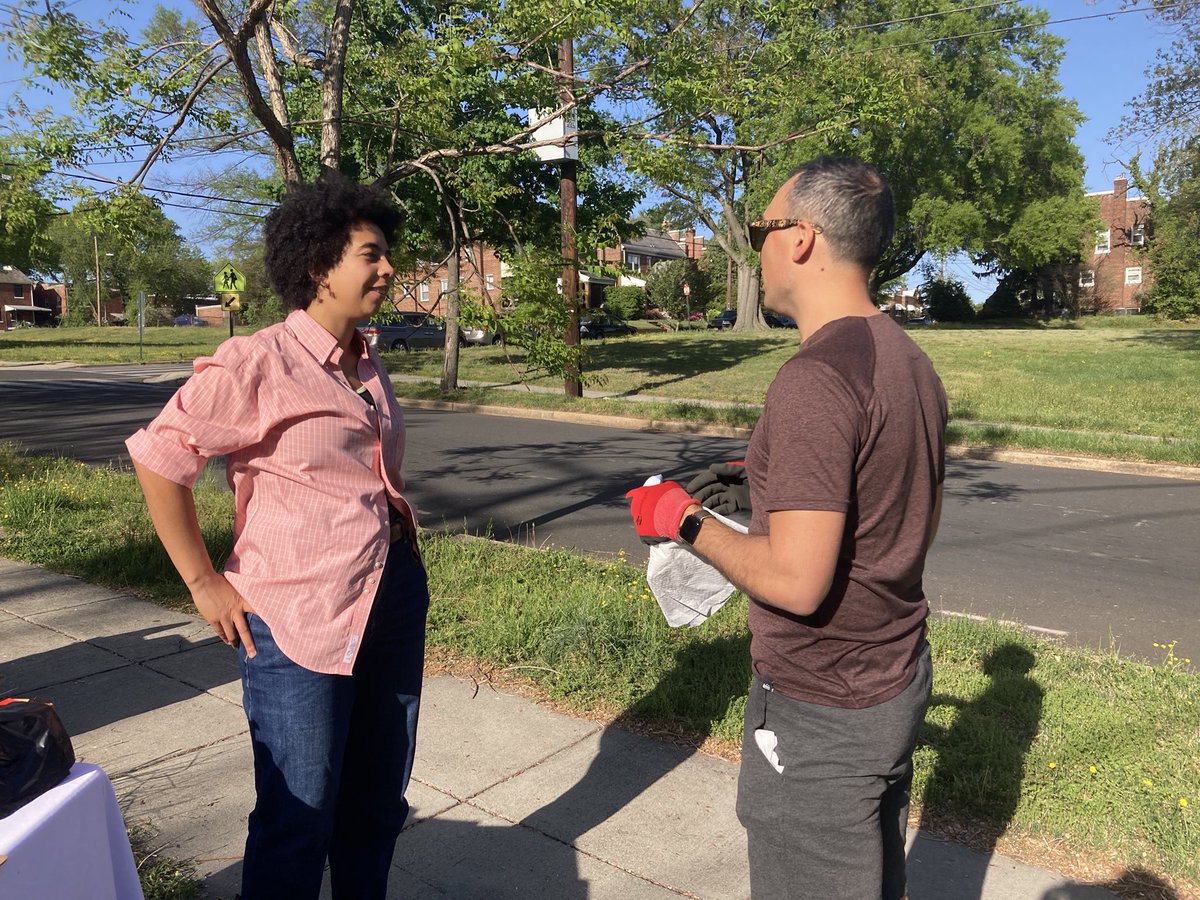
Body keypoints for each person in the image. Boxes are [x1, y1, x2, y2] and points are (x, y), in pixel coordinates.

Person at [626, 156, 947, 900]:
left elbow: (799, 583)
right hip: (892, 679)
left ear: (801, 239)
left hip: (822, 707)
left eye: (762, 228)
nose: (754, 247)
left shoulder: (815, 380)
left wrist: (681, 519)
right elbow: (888, 508)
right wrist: (769, 477)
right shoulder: (906, 359)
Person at [126, 175, 427, 900]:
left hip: (388, 599)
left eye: (387, 253)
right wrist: (203, 582)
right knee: (299, 817)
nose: (388, 268)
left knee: (377, 805)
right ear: (320, 267)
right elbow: (161, 456)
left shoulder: (363, 358)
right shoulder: (258, 361)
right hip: (292, 618)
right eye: (371, 254)